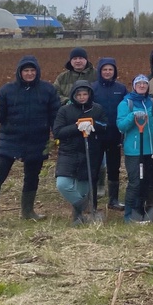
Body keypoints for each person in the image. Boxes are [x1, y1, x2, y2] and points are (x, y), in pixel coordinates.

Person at [0, 55, 59, 223]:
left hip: (37, 140)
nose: (29, 73)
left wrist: (57, 135)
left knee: (32, 176)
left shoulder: (47, 90)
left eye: (32, 70)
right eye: (26, 70)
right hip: (10, 139)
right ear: (19, 72)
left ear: (37, 72)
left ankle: (28, 211)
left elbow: (55, 115)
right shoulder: (6, 91)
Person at [52, 81, 108, 225]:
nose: (82, 97)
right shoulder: (65, 110)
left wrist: (93, 124)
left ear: (89, 95)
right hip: (69, 153)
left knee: (83, 189)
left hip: (90, 153)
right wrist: (77, 126)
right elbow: (58, 132)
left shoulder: (97, 109)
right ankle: (87, 209)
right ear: (73, 95)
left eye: (85, 94)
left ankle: (79, 219)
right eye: (79, 95)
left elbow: (105, 125)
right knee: (63, 184)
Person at [118, 75, 153, 223]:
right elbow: (121, 126)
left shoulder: (152, 102)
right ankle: (129, 214)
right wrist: (132, 116)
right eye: (139, 83)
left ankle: (143, 210)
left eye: (145, 83)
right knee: (135, 182)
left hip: (150, 149)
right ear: (134, 86)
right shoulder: (126, 103)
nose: (142, 85)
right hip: (134, 150)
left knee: (148, 182)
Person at [91, 57, 128, 210]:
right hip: (96, 136)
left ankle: (113, 200)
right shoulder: (93, 88)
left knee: (114, 168)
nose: (107, 72)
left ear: (115, 71)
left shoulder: (121, 88)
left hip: (114, 136)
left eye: (110, 69)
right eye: (105, 69)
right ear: (100, 71)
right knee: (94, 168)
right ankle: (92, 201)